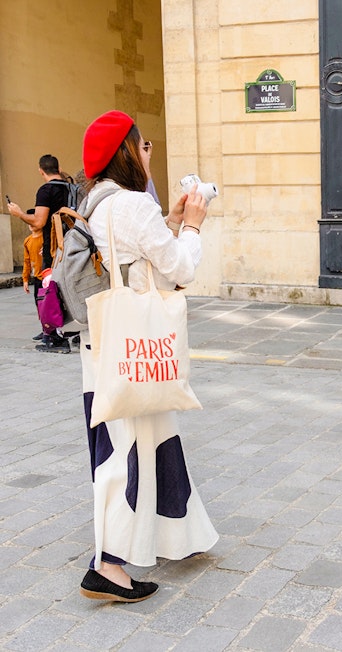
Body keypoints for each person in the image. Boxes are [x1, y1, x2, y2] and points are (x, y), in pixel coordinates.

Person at [75, 110, 217, 602]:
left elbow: (136, 258)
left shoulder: (97, 203)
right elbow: (178, 268)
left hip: (106, 341)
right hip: (134, 345)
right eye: (144, 144)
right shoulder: (133, 204)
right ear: (128, 152)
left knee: (154, 439)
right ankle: (107, 567)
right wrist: (193, 227)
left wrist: (171, 219)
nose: (148, 152)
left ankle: (182, 534)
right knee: (127, 452)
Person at [7, 154, 77, 352]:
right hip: (75, 246)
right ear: (58, 167)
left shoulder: (46, 190)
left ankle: (55, 338)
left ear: (41, 171)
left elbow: (39, 222)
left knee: (50, 290)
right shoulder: (72, 188)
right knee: (70, 288)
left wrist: (19, 213)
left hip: (54, 247)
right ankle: (76, 332)